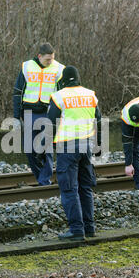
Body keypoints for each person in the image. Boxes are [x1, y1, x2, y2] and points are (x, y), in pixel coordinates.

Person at [44, 65, 102, 241]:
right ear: (78, 78)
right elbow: (98, 120)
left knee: (69, 189)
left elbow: (51, 124)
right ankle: (89, 227)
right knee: (85, 187)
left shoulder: (59, 96)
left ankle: (77, 229)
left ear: (62, 80)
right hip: (86, 145)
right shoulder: (90, 94)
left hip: (67, 146)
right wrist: (98, 146)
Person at [12, 43, 65, 185]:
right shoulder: (27, 67)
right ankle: (41, 177)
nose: (50, 62)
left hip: (48, 113)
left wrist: (62, 115)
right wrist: (16, 117)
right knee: (30, 150)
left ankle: (44, 180)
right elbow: (18, 92)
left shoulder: (58, 69)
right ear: (39, 56)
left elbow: (61, 95)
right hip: (29, 112)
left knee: (46, 148)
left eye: (52, 59)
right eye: (48, 59)